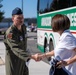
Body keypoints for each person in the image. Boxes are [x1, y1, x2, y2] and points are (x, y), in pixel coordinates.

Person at [3, 7, 38, 75]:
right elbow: (15, 48)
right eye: (18, 18)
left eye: (22, 17)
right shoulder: (10, 33)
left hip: (23, 62)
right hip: (14, 64)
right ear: (13, 19)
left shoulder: (24, 27)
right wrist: (31, 56)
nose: (21, 19)